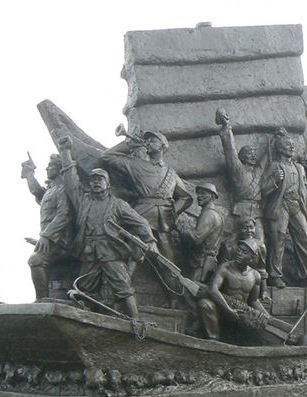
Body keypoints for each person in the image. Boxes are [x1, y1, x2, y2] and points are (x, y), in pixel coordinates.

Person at [58, 135, 157, 319]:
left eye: (100, 180)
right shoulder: (83, 201)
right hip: (89, 251)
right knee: (85, 287)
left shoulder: (118, 204)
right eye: (93, 180)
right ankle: (84, 318)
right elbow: (71, 182)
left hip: (111, 252)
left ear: (107, 184)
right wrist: (65, 151)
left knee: (123, 287)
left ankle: (136, 321)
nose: (96, 182)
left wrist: (150, 240)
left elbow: (141, 222)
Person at [100, 129, 192, 262]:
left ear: (162, 146)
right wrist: (129, 145)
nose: (148, 143)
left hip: (163, 222)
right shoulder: (136, 164)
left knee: (168, 258)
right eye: (147, 141)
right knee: (134, 256)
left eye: (152, 141)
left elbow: (185, 197)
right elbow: (106, 157)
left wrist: (173, 212)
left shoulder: (171, 173)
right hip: (141, 215)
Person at [261, 128, 307, 290]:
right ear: (279, 148)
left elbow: (303, 188)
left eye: (292, 145)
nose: (292, 147)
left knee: (304, 239)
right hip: (280, 206)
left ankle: (306, 276)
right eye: (288, 145)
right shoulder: (274, 165)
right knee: (278, 240)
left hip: (296, 206)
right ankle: (275, 276)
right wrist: (274, 180)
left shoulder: (299, 168)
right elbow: (262, 190)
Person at [20, 154, 74, 299]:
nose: (47, 168)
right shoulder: (52, 190)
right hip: (51, 240)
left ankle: (42, 300)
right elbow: (37, 192)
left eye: (51, 166)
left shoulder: (63, 190)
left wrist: (46, 236)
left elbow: (64, 215)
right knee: (37, 259)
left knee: (36, 260)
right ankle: (43, 300)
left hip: (62, 242)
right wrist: (29, 174)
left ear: (60, 169)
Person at [197, 239, 268, 340]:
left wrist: (266, 316)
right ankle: (213, 339)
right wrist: (228, 310)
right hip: (222, 309)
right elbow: (213, 290)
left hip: (240, 315)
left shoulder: (255, 276)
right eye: (239, 250)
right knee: (205, 304)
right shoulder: (224, 268)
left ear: (252, 257)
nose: (239, 254)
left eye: (244, 252)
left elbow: (254, 301)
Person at [216, 108, 264, 242]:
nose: (253, 156)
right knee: (239, 243)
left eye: (254, 154)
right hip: (240, 213)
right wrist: (226, 126)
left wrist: (277, 140)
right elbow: (230, 150)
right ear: (242, 157)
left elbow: (266, 160)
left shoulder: (258, 172)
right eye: (249, 153)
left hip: (257, 213)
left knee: (260, 243)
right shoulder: (237, 170)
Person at [179, 183, 224, 283]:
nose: (199, 196)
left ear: (212, 196)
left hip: (202, 263)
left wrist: (181, 228)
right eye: (198, 193)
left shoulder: (209, 214)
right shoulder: (212, 213)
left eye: (203, 193)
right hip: (205, 261)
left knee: (191, 289)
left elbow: (196, 238)